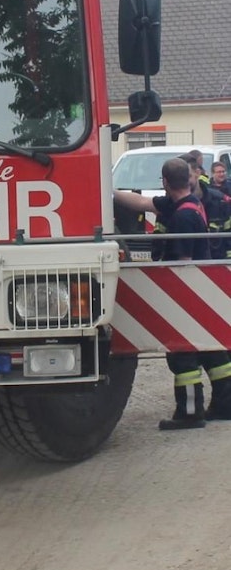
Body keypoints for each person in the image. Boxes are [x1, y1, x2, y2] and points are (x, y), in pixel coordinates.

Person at [115, 157, 231, 428]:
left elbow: (182, 265)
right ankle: (226, 405)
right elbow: (143, 203)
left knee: (181, 356)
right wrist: (107, 190)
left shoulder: (183, 216)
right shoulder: (190, 203)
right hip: (201, 293)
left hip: (188, 294)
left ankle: (190, 413)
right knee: (213, 352)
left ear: (165, 182)